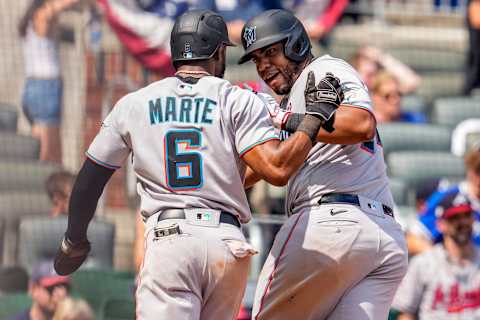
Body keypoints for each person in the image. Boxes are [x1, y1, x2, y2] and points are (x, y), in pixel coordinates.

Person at [52, 9, 340, 320]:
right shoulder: (238, 98)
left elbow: (89, 181)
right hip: (227, 245)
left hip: (171, 240)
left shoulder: (133, 103)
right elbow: (278, 169)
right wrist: (315, 118)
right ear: (218, 53)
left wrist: (74, 240)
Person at [238, 9, 408, 319]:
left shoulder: (321, 70)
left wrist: (281, 118)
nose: (262, 66)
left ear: (296, 44)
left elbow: (361, 124)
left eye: (270, 52)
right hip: (381, 240)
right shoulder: (295, 107)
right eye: (256, 59)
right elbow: (261, 169)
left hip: (331, 225)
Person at [392, 196, 480, 319]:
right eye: (454, 218)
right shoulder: (424, 263)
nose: (463, 222)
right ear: (440, 224)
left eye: (467, 215)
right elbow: (404, 313)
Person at [18, 0, 80, 163]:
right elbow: (55, 8)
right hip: (44, 89)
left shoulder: (34, 20)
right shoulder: (41, 15)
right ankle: (39, 186)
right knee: (47, 154)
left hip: (38, 89)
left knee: (44, 149)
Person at [408, 148, 480, 256]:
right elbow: (413, 239)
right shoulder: (449, 198)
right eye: (478, 170)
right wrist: (441, 262)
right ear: (470, 170)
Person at [350, 45, 421, 94]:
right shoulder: (347, 93)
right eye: (369, 74)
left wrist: (381, 57)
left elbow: (412, 82)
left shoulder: (380, 94)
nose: (372, 79)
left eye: (374, 74)